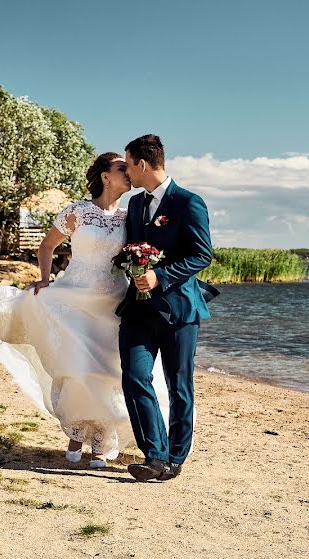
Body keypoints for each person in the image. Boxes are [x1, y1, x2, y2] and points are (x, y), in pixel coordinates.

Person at [0, 153, 169, 468]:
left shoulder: (128, 216)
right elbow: (46, 246)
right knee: (78, 369)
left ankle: (100, 441)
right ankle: (77, 431)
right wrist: (43, 279)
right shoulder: (77, 212)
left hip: (113, 301)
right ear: (106, 176)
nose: (129, 173)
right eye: (122, 168)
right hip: (74, 299)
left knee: (109, 372)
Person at [117, 134, 219, 482]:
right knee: (134, 377)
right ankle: (154, 456)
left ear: (142, 164)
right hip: (137, 311)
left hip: (179, 311)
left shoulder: (188, 202)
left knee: (179, 386)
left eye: (128, 164)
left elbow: (202, 254)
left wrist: (161, 276)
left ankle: (175, 458)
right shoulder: (133, 205)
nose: (127, 172)